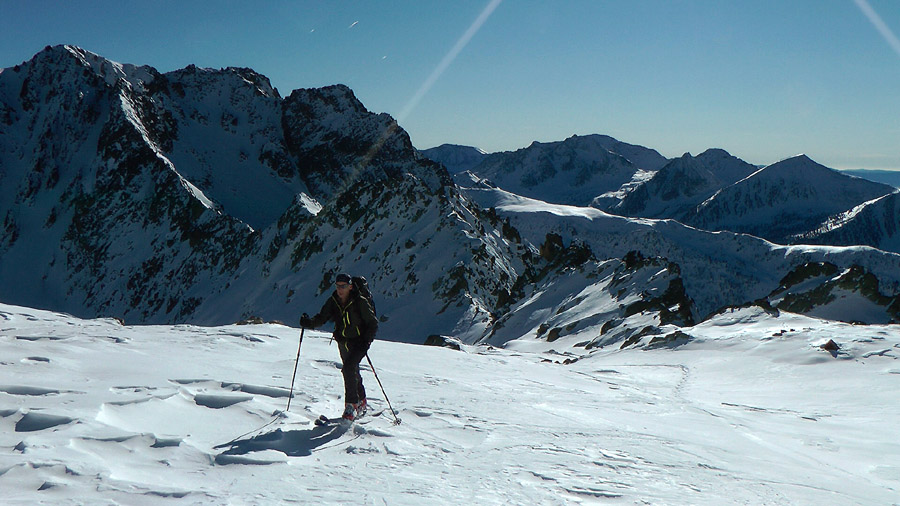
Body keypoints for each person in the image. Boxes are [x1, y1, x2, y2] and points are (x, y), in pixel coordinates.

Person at [300, 273, 378, 421]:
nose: (339, 289)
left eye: (343, 286)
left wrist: (366, 341)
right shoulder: (334, 301)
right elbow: (322, 317)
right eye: (337, 286)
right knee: (352, 370)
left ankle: (352, 406)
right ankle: (362, 402)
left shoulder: (359, 301)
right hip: (343, 341)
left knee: (348, 368)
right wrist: (309, 323)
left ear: (350, 287)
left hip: (359, 342)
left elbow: (372, 323)